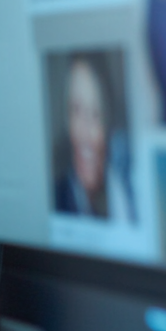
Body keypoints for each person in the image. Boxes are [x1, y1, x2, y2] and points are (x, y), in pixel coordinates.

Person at [53, 55, 131, 222]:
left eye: (96, 114)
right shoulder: (55, 201)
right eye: (77, 110)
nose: (85, 132)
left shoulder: (125, 198)